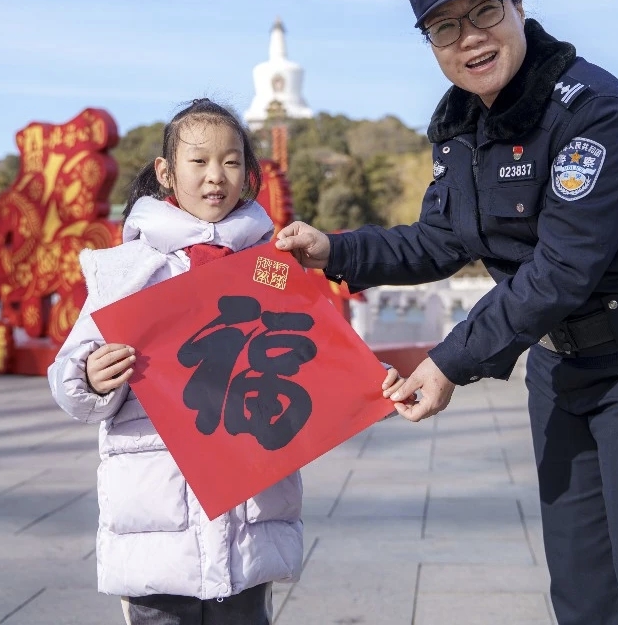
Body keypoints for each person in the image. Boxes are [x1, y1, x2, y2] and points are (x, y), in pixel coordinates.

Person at [275, 0, 618, 625]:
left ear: (520, 7)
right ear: (430, 42)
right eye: (445, 27)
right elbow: (438, 238)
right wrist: (332, 250)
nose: (470, 38)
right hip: (561, 367)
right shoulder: (462, 128)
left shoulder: (592, 109)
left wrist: (451, 359)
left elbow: (561, 268)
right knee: (582, 594)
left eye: (485, 11)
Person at [49, 98, 399, 625]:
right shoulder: (127, 272)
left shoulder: (270, 266)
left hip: (248, 518)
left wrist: (371, 387)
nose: (217, 176)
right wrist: (90, 377)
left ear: (249, 173)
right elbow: (69, 372)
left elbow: (317, 356)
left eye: (232, 162)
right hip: (157, 522)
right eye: (199, 161)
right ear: (166, 173)